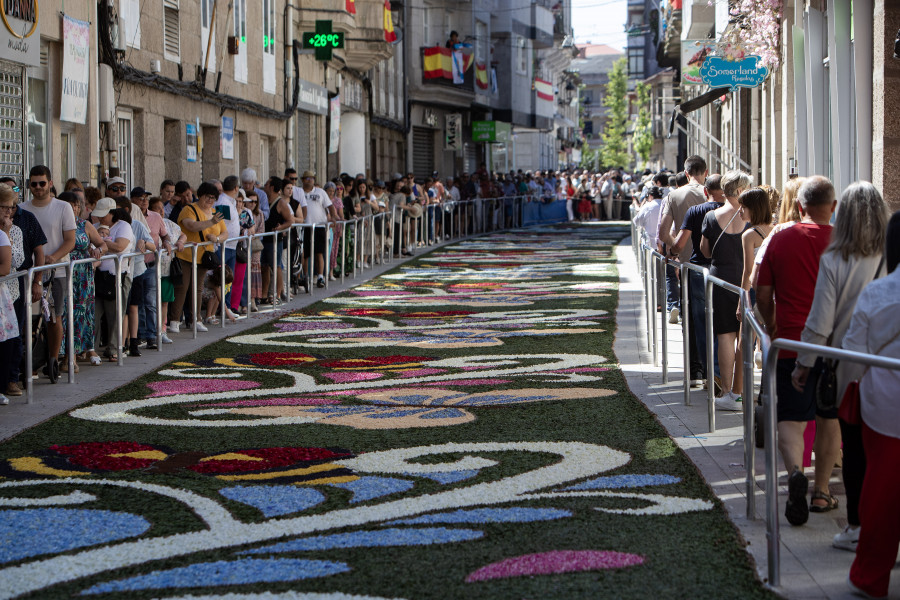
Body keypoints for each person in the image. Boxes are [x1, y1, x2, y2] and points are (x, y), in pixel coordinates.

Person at [790, 182, 889, 546]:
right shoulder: (888, 257)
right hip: (889, 366)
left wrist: (803, 364)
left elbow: (820, 322)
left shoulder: (834, 260)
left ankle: (858, 526)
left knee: (856, 449)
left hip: (847, 368)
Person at [756, 175, 837, 527]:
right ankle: (821, 491)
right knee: (827, 417)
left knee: (790, 418)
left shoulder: (781, 237)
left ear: (800, 206)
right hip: (835, 347)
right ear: (832, 207)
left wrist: (772, 324)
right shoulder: (842, 242)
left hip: (791, 341)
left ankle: (794, 473)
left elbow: (761, 294)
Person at [844, 209, 900, 599]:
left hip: (886, 404)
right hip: (885, 403)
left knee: (881, 489)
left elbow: (853, 353)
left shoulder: (878, 292)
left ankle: (871, 576)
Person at [668, 173, 727, 388]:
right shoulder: (734, 211)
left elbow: (681, 243)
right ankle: (723, 372)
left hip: (698, 270)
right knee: (725, 325)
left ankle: (709, 372)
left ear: (705, 191)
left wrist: (672, 251)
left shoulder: (696, 211)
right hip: (725, 273)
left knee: (701, 323)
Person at [700, 176, 753, 411]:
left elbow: (705, 250)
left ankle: (726, 390)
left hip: (720, 280)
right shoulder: (751, 218)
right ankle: (739, 392)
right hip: (745, 283)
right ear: (741, 190)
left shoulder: (711, 216)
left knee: (724, 336)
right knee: (744, 337)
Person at [22, 165, 75, 382]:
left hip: (57, 271)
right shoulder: (22, 208)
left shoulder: (63, 207)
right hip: (29, 272)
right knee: (29, 318)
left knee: (54, 317)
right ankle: (29, 362)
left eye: (42, 183)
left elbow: (70, 240)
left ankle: (53, 359)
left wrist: (53, 256)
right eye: (33, 184)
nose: (38, 188)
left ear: (50, 183)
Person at [170, 182, 226, 333]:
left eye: (213, 198)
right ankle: (175, 320)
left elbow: (225, 232)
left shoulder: (215, 212)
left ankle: (196, 319)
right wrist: (211, 222)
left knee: (198, 288)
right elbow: (191, 226)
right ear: (200, 195)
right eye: (208, 197)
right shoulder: (189, 209)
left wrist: (217, 238)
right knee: (182, 287)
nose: (210, 201)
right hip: (186, 255)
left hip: (204, 257)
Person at [658, 156, 708, 326]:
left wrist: (678, 247)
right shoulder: (714, 195)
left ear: (686, 174)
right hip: (713, 264)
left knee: (690, 317)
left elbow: (663, 233)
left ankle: (692, 351)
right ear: (706, 172)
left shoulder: (674, 195)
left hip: (687, 262)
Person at [58, 191, 105, 368]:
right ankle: (62, 355)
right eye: (68, 205)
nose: (72, 209)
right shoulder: (57, 225)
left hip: (83, 276)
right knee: (62, 313)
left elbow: (102, 244)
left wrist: (98, 251)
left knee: (80, 313)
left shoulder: (84, 225)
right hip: (62, 271)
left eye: (75, 205)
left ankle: (74, 356)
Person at [91, 198, 135, 361]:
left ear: (112, 213)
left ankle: (114, 348)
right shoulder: (95, 227)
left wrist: (101, 244)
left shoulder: (124, 226)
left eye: (104, 215)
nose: (101, 219)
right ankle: (91, 348)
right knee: (94, 314)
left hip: (117, 276)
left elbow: (119, 246)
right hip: (97, 275)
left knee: (115, 314)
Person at [133, 187, 169, 349]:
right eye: (140, 198)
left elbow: (164, 234)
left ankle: (152, 335)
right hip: (135, 265)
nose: (144, 201)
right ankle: (140, 334)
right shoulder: (131, 217)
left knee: (151, 301)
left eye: (146, 198)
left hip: (151, 264)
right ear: (133, 200)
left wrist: (167, 242)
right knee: (138, 301)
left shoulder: (155, 216)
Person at [149, 196, 184, 343]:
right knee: (151, 302)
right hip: (151, 268)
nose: (162, 211)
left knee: (164, 301)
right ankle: (151, 331)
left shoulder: (169, 224)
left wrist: (181, 241)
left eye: (162, 208)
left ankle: (162, 330)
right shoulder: (148, 224)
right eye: (158, 208)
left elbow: (182, 234)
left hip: (167, 270)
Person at [0, 185, 23, 404]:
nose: (8, 212)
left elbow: (15, 262)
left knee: (9, 340)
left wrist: (7, 234)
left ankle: (7, 381)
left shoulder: (14, 231)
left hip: (9, 290)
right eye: (5, 207)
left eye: (11, 208)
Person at [297, 171, 337, 288]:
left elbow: (330, 206)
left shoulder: (320, 192)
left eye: (312, 178)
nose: (310, 180)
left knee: (319, 252)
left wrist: (333, 217)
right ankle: (304, 276)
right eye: (307, 178)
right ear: (303, 180)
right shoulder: (299, 192)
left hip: (319, 225)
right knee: (304, 253)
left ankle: (320, 276)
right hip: (304, 226)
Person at [262, 178, 297, 304]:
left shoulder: (281, 203)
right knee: (265, 266)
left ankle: (277, 294)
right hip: (264, 239)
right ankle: (265, 294)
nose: (264, 186)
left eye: (266, 184)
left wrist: (280, 228)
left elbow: (290, 221)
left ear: (271, 187)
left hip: (275, 240)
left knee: (276, 266)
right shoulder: (264, 200)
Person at [244, 191, 265, 310]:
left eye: (255, 201)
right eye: (251, 201)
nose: (253, 204)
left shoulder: (259, 213)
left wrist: (252, 235)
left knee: (254, 272)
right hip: (244, 245)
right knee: (245, 273)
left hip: (255, 246)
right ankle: (245, 301)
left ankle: (253, 300)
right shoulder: (243, 213)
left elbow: (262, 230)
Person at [325, 182, 344, 281]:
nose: (331, 193)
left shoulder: (337, 200)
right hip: (326, 226)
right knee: (325, 250)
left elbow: (340, 215)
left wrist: (341, 226)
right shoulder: (323, 199)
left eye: (333, 191)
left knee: (333, 251)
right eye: (329, 191)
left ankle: (331, 271)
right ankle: (324, 272)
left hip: (335, 227)